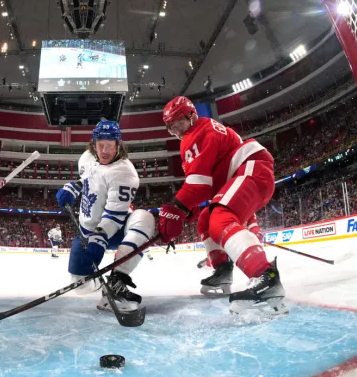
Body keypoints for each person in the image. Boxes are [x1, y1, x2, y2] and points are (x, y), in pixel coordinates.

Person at [157, 96, 286, 315]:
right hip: (248, 173)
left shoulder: (195, 134)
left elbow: (198, 186)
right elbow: (210, 185)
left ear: (191, 116)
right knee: (206, 219)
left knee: (219, 218)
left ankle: (266, 277)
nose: (177, 131)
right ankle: (223, 270)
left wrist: (176, 208)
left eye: (178, 124)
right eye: (171, 128)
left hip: (251, 170)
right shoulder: (206, 128)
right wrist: (191, 208)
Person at [55, 121, 155, 312]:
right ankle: (102, 286)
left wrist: (100, 236)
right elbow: (89, 176)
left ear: (118, 145)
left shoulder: (125, 172)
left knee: (144, 218)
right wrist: (73, 187)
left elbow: (115, 214)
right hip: (86, 229)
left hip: (115, 229)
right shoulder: (86, 157)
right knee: (80, 286)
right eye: (100, 145)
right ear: (93, 144)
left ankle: (118, 279)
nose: (105, 150)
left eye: (110, 145)